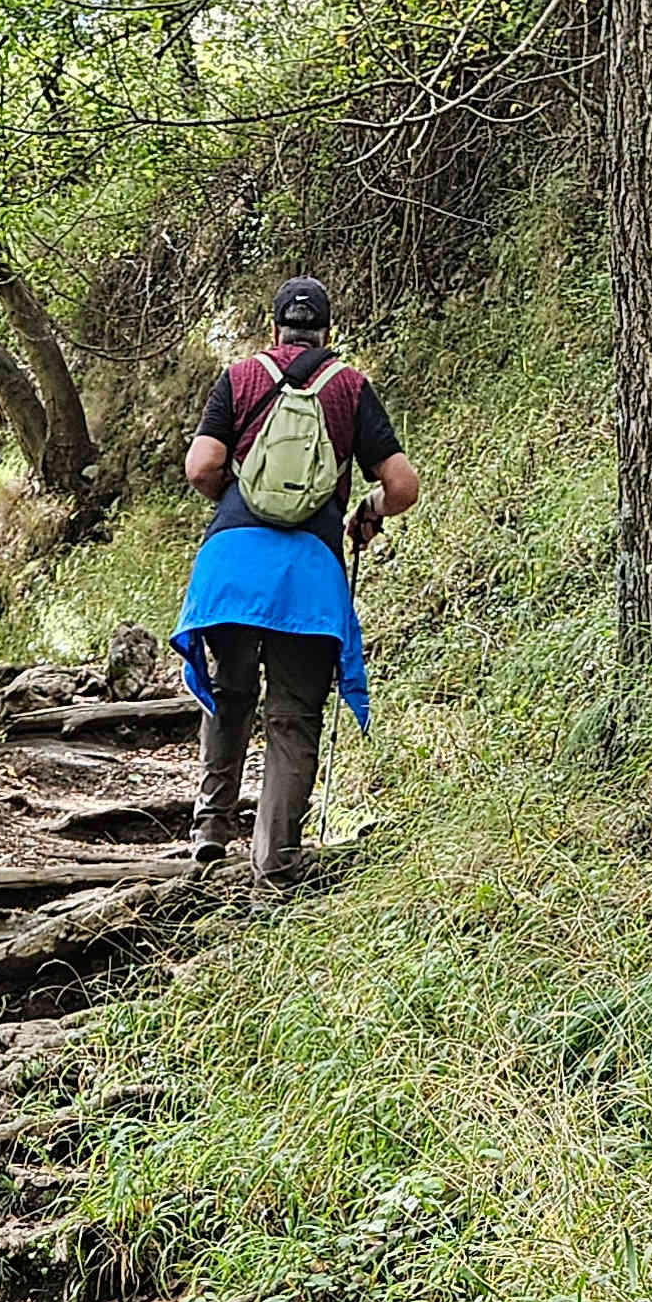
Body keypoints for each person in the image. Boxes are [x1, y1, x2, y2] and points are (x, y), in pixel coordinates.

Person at [170, 277, 419, 893]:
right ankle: (276, 866)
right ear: (327, 332)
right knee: (293, 716)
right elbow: (403, 486)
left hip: (232, 563)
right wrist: (367, 512)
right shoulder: (349, 388)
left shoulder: (241, 377)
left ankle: (210, 826)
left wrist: (236, 500)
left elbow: (201, 466)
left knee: (231, 693)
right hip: (308, 572)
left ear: (274, 327)